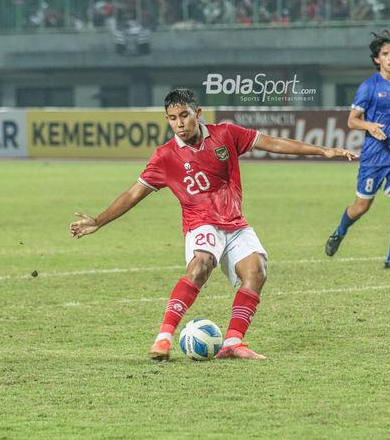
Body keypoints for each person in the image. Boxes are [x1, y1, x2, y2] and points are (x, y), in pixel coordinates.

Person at [70, 88, 357, 360]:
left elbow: (272, 143)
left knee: (256, 270)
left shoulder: (226, 134)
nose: (179, 123)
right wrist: (99, 221)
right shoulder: (165, 156)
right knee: (202, 263)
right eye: (172, 118)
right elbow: (134, 193)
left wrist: (322, 151)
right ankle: (164, 337)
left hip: (234, 223)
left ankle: (233, 343)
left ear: (198, 112)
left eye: (184, 115)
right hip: (200, 224)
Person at [324, 30, 390, 270]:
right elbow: (352, 120)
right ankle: (340, 231)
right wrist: (369, 126)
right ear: (377, 60)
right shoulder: (369, 87)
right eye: (385, 54)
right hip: (374, 156)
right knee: (361, 207)